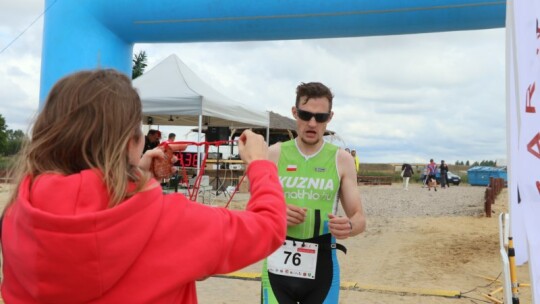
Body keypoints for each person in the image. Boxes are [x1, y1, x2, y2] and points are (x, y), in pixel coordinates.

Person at [0, 69, 287, 303]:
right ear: (130, 142)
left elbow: (89, 211)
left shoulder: (16, 215)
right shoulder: (172, 221)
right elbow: (269, 225)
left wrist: (136, 179)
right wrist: (259, 165)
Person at [261, 82, 366, 303]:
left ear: (330, 117)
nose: (312, 123)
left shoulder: (342, 160)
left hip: (323, 266)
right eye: (305, 114)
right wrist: (276, 212)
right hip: (276, 262)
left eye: (320, 117)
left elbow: (359, 218)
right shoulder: (273, 154)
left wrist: (349, 226)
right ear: (294, 112)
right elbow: (253, 211)